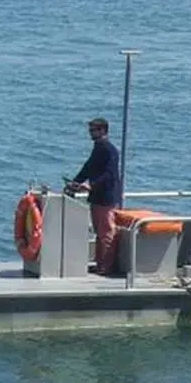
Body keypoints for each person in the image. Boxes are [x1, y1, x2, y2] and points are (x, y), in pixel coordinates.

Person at [67, 118, 122, 276]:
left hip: (106, 197)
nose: (91, 133)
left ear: (103, 130)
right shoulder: (98, 147)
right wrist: (75, 181)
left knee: (106, 231)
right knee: (99, 231)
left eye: (94, 130)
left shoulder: (108, 149)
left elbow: (109, 174)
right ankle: (99, 264)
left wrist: (92, 185)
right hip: (98, 196)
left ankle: (106, 267)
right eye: (90, 130)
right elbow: (88, 167)